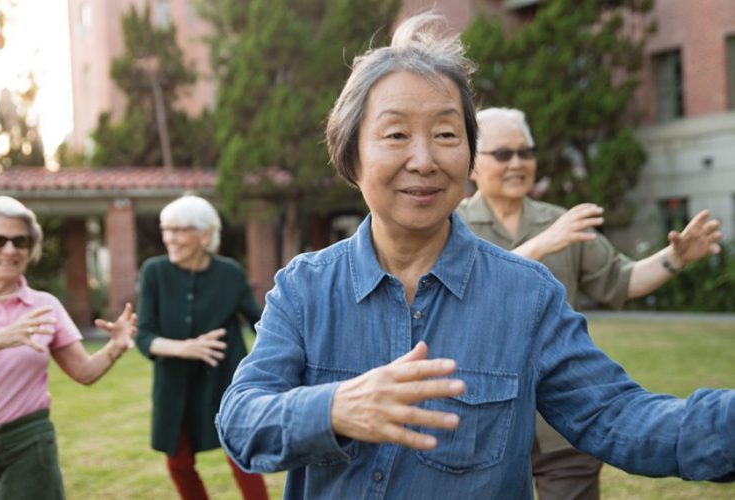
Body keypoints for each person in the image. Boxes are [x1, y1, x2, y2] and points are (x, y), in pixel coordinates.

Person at [216, 11, 735, 499]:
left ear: (468, 157)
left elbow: (617, 416)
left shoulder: (526, 294)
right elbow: (242, 422)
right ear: (351, 154)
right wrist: (334, 409)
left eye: (446, 134)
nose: (424, 160)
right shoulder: (305, 288)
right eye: (396, 134)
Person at [456, 106, 724, 500]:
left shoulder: (563, 221)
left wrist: (675, 258)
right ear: (473, 163)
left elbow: (622, 279)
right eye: (503, 154)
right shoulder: (449, 227)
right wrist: (542, 245)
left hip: (564, 422)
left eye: (525, 152)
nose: (517, 163)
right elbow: (461, 296)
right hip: (478, 423)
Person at [0, 194, 136, 499]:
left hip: (28, 441)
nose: (9, 249)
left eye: (20, 241)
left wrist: (115, 347)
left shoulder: (45, 305)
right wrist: (1, 338)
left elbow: (84, 372)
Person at [136, 195, 268, 500]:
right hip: (174, 384)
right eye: (165, 229)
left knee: (243, 456)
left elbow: (261, 324)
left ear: (206, 234)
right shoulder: (154, 272)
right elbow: (144, 336)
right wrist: (185, 348)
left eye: (179, 230)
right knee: (179, 462)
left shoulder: (230, 273)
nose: (169, 238)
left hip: (224, 381)